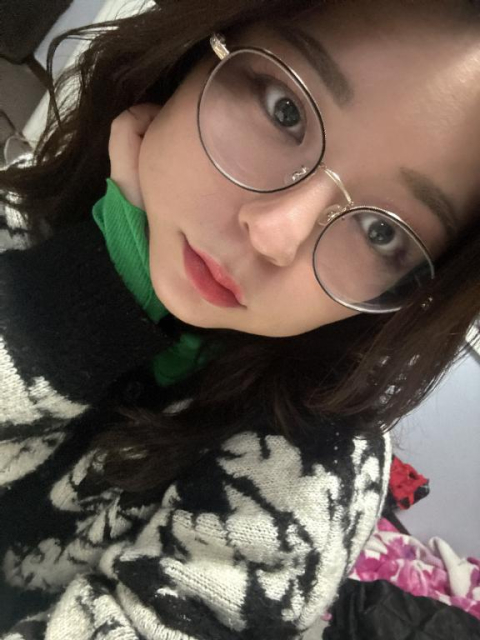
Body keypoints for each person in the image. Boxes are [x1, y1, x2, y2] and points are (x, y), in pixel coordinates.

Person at [1, 0, 479, 637]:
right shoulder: (22, 215)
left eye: (379, 231)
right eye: (286, 111)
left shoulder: (313, 476)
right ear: (196, 45)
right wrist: (91, 290)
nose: (275, 236)